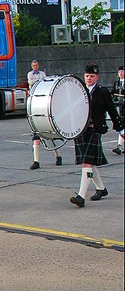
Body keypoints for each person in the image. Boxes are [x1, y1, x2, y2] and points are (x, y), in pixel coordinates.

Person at [69, 64, 122, 208]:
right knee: (89, 163)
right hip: (81, 130)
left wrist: (120, 128)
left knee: (86, 162)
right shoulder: (80, 91)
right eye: (87, 76)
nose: (89, 78)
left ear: (97, 77)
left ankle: (81, 196)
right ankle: (101, 189)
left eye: (92, 76)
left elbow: (111, 109)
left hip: (95, 130)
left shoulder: (103, 92)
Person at [27, 60, 62, 169]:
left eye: (36, 65)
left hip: (42, 105)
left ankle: (58, 155)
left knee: (48, 135)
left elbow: (44, 84)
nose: (35, 66)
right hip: (34, 104)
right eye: (33, 65)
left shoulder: (42, 74)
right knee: (36, 136)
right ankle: (36, 161)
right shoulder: (30, 74)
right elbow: (32, 83)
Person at [111, 65, 124, 155]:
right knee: (122, 126)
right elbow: (113, 93)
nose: (121, 73)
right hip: (120, 107)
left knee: (122, 126)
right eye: (119, 72)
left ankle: (119, 146)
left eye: (122, 71)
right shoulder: (116, 83)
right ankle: (120, 146)